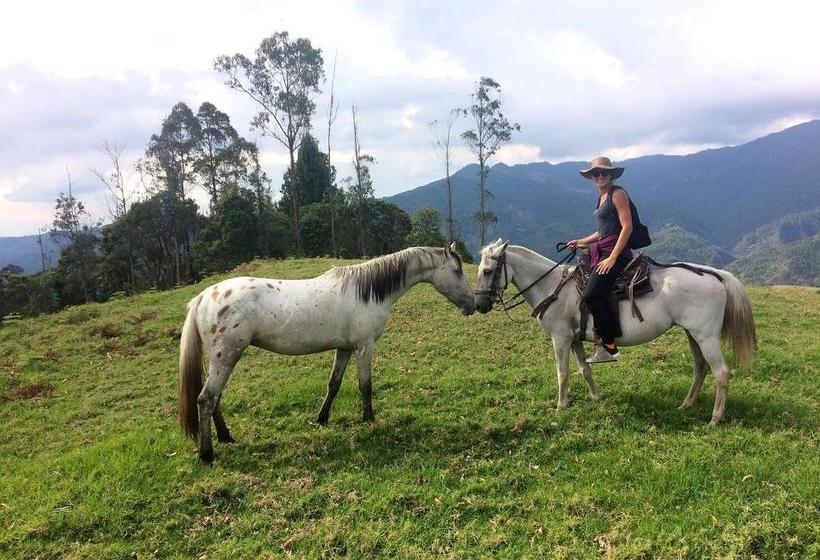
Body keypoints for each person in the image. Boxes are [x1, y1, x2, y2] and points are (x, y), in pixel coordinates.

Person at [567, 156, 633, 364]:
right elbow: (602, 231)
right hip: (604, 249)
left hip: (616, 253)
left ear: (611, 175)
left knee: (589, 296)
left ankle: (609, 347)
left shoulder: (618, 194)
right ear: (592, 178)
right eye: (596, 174)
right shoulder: (602, 198)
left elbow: (627, 227)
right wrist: (580, 241)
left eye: (604, 173)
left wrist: (613, 258)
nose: (600, 176)